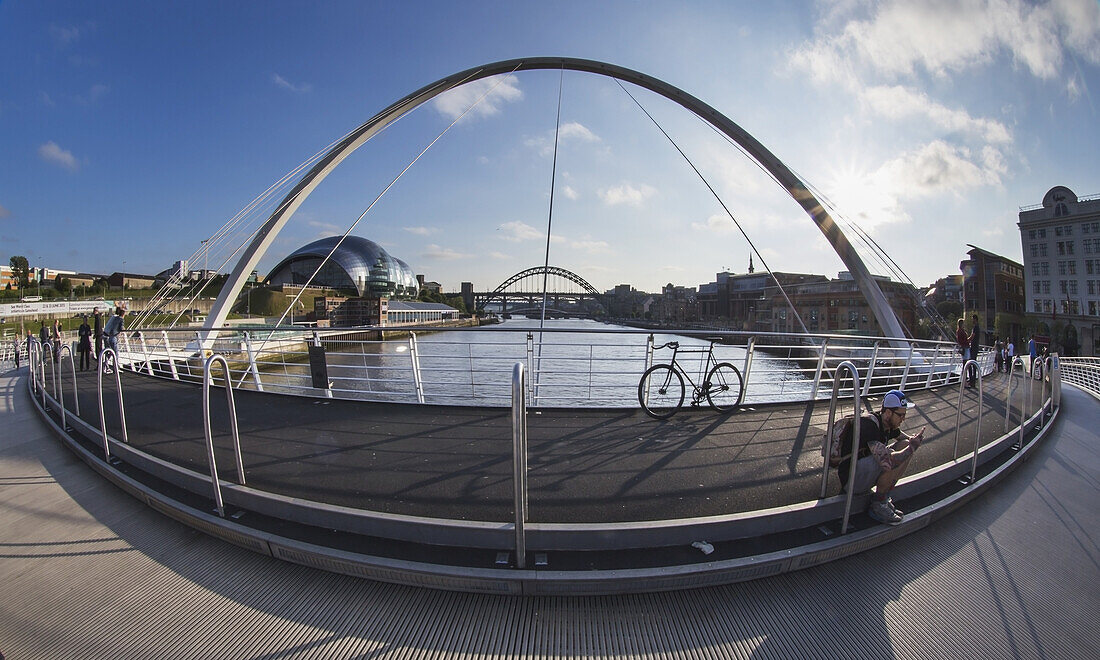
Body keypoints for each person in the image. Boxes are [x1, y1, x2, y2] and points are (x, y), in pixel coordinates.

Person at [836, 389, 926, 525]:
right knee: (891, 459)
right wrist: (912, 447)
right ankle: (877, 505)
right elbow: (888, 461)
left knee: (904, 445)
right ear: (888, 413)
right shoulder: (870, 425)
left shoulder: (886, 422)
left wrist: (911, 440)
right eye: (900, 416)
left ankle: (883, 498)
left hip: (862, 471)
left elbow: (899, 435)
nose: (903, 419)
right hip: (852, 479)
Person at [102, 304, 127, 373]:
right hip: (110, 336)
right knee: (114, 353)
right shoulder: (118, 318)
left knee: (109, 352)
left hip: (106, 335)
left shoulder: (114, 317)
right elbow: (120, 327)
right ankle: (113, 367)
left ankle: (105, 367)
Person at [967, 314, 981, 387]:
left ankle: (972, 381)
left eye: (972, 319)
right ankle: (972, 381)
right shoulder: (976, 327)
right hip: (974, 347)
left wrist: (966, 340)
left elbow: (972, 336)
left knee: (970, 363)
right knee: (972, 363)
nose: (972, 320)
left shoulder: (976, 327)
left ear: (975, 319)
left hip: (974, 347)